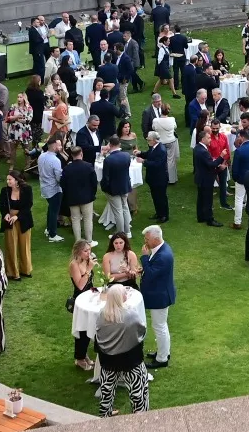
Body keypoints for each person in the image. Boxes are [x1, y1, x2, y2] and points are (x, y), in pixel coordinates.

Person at [95, 284, 150, 416]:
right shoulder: (130, 314)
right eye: (125, 293)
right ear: (120, 298)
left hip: (108, 361)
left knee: (106, 392)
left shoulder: (102, 314)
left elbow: (98, 335)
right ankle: (141, 417)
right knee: (138, 391)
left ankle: (105, 416)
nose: (127, 294)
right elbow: (141, 331)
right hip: (130, 361)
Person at [140, 225, 175, 369]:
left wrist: (144, 258)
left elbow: (151, 274)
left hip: (159, 296)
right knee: (161, 326)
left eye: (147, 239)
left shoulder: (163, 255)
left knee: (160, 327)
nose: (145, 241)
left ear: (155, 239)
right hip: (160, 293)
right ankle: (163, 352)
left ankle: (162, 359)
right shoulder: (160, 250)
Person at [0, 172, 34, 279]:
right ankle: (12, 272)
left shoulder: (27, 189)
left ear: (16, 180)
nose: (8, 181)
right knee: (11, 246)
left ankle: (25, 270)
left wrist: (17, 216)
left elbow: (28, 206)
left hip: (23, 219)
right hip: (10, 221)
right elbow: (1, 205)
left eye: (10, 179)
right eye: (7, 179)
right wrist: (6, 214)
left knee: (24, 246)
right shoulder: (5, 191)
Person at [69, 240, 99, 371]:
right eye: (85, 251)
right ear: (78, 251)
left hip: (90, 297)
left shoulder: (88, 261)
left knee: (90, 327)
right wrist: (89, 269)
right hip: (80, 300)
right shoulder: (74, 265)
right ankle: (79, 358)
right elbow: (80, 286)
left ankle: (84, 355)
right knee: (82, 329)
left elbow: (90, 283)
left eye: (89, 250)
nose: (89, 253)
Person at [63, 145, 98, 246]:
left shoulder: (67, 169)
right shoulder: (88, 166)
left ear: (71, 155)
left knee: (75, 219)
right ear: (81, 153)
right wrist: (92, 194)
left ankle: (78, 242)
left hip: (72, 198)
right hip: (87, 198)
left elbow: (63, 184)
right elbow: (94, 183)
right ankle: (89, 241)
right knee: (87, 219)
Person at [101, 137, 134, 236]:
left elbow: (106, 178)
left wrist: (104, 188)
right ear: (119, 144)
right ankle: (127, 231)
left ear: (110, 145)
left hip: (113, 189)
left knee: (118, 211)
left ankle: (120, 233)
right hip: (124, 186)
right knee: (124, 207)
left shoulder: (108, 160)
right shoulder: (126, 155)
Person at [37, 137, 66, 242]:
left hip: (44, 187)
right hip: (54, 189)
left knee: (51, 209)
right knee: (54, 211)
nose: (60, 147)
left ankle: (49, 229)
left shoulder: (41, 156)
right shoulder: (55, 160)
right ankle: (52, 235)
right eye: (58, 145)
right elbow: (59, 177)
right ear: (54, 146)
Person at [139, 135, 170, 224]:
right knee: (155, 197)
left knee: (161, 197)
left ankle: (164, 215)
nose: (147, 141)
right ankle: (159, 213)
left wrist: (144, 161)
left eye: (149, 139)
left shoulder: (161, 150)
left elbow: (157, 164)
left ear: (154, 140)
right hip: (153, 178)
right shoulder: (154, 147)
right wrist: (140, 153)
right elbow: (148, 154)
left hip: (159, 178)